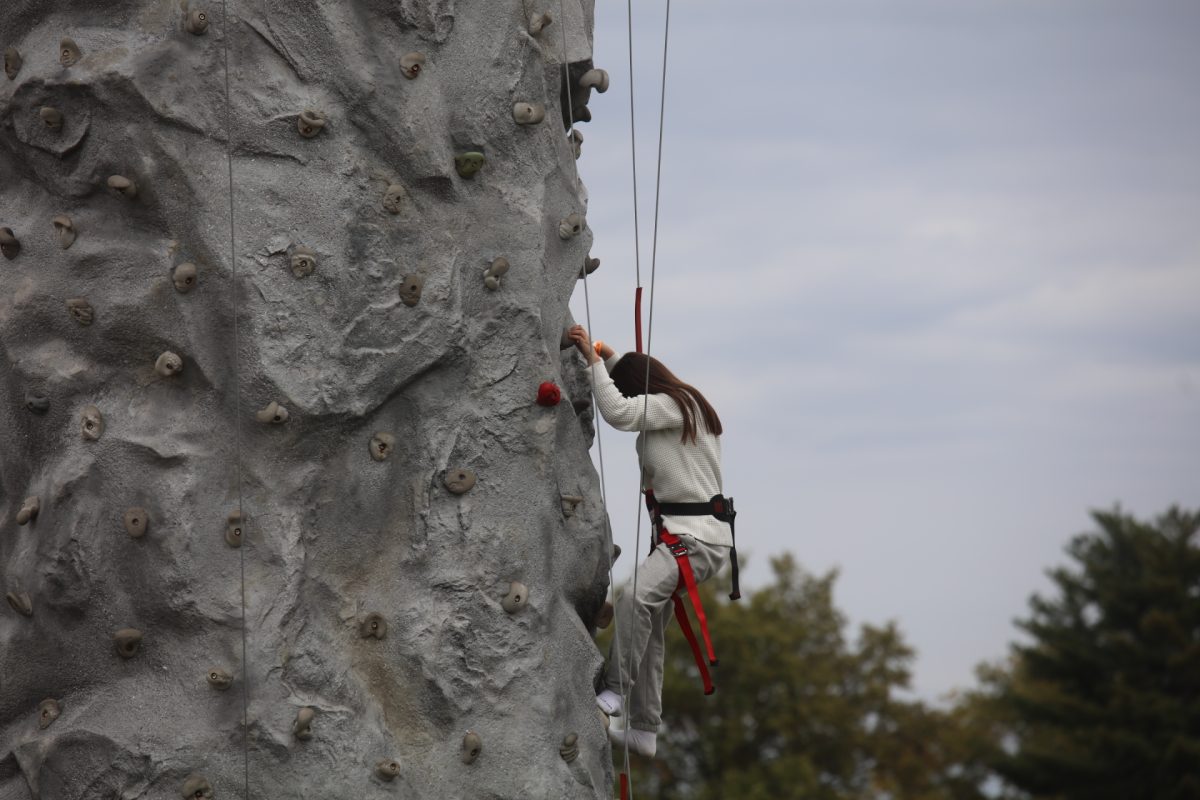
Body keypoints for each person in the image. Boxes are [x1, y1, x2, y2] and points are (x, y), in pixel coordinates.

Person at [566, 324, 733, 759]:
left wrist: (594, 363)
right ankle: (644, 729)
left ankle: (615, 693)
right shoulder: (679, 404)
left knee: (634, 599)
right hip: (692, 540)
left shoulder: (675, 405)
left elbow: (619, 412)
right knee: (651, 625)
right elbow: (631, 385)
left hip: (694, 540)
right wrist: (610, 356)